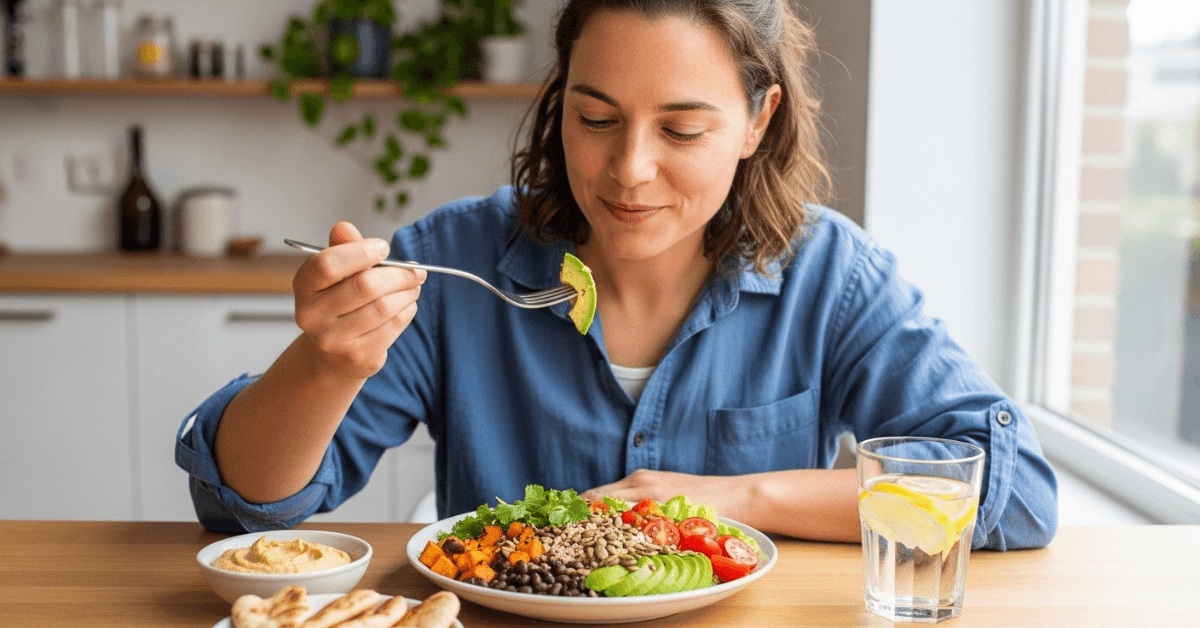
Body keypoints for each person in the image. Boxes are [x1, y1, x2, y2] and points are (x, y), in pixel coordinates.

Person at [176, 0, 1057, 550]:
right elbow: (246, 507)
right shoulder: (458, 265)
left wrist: (736, 497)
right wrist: (325, 362)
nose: (629, 170)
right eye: (596, 118)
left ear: (758, 120)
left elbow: (1008, 493)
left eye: (681, 131)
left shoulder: (831, 275)